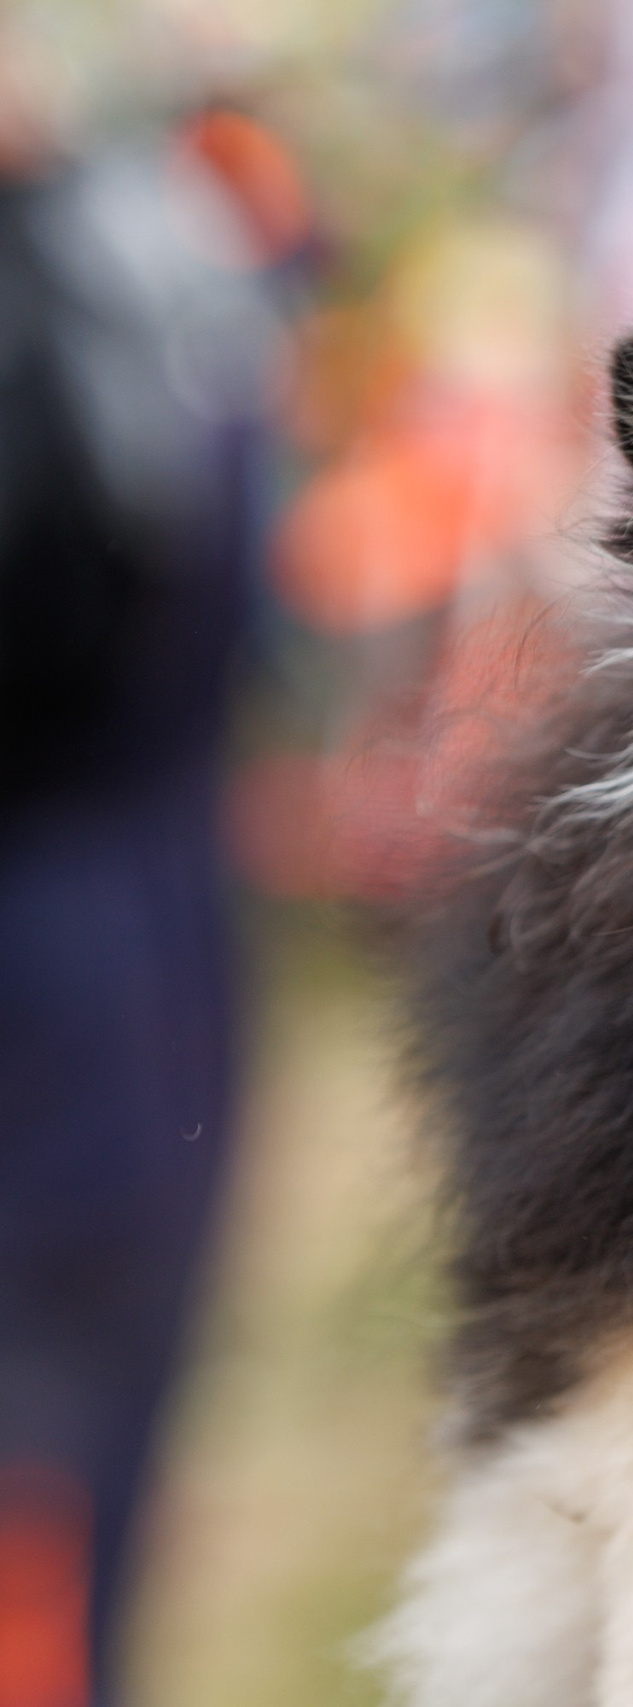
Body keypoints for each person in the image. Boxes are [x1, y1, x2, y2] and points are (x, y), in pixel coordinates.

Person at [0, 116, 281, 1707]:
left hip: (107, 942)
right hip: (101, 943)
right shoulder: (140, 234)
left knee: (61, 1467)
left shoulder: (117, 232)